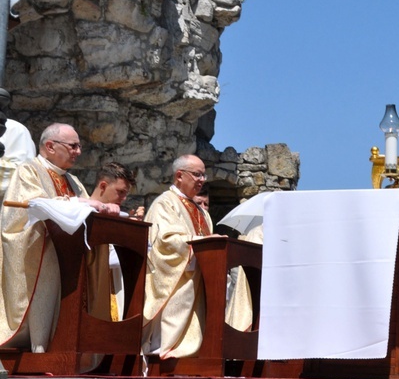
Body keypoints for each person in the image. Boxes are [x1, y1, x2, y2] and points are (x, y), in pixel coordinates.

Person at [0, 123, 121, 352]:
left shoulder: (73, 182)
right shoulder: (29, 171)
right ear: (50, 146)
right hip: (41, 256)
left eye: (79, 146)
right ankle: (39, 348)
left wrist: (103, 209)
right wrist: (79, 203)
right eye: (73, 146)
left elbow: (90, 211)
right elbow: (31, 208)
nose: (78, 151)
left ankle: (64, 348)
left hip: (69, 261)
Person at [142, 155, 253, 359]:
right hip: (177, 282)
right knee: (173, 334)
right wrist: (203, 244)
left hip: (200, 280)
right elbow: (165, 243)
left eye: (203, 175)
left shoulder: (201, 211)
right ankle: (166, 355)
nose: (202, 180)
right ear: (179, 175)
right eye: (197, 174)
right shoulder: (165, 204)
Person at [89, 162, 143, 321]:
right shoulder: (81, 213)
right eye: (120, 192)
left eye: (126, 193)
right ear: (103, 186)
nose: (124, 198)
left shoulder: (121, 217)